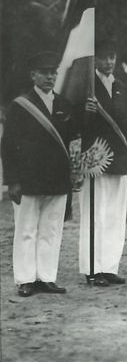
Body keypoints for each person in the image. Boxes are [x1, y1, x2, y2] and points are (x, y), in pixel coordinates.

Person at [2, 51, 79, 297]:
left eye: (53, 73)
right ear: (33, 75)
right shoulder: (20, 105)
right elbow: (8, 145)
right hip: (29, 179)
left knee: (51, 229)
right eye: (44, 73)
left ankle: (46, 277)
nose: (49, 77)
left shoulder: (64, 105)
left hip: (56, 179)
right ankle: (25, 279)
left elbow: (72, 141)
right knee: (26, 229)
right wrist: (12, 181)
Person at [78, 42, 127, 286]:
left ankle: (109, 267)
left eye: (112, 57)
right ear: (95, 60)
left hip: (119, 159)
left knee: (114, 216)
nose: (109, 62)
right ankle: (93, 268)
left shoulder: (121, 87)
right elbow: (73, 123)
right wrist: (85, 111)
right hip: (96, 159)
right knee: (95, 215)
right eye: (104, 57)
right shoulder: (86, 87)